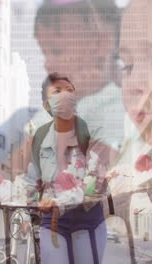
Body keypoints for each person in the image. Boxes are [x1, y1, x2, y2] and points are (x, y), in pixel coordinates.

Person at [23, 72, 110, 264]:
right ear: (46, 105)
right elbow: (32, 180)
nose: (65, 95)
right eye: (57, 91)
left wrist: (58, 200)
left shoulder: (94, 129)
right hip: (53, 221)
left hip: (88, 219)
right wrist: (28, 208)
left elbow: (94, 183)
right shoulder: (39, 138)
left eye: (70, 91)